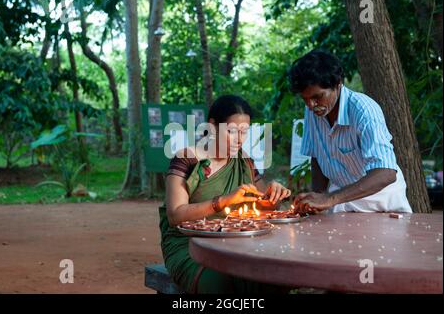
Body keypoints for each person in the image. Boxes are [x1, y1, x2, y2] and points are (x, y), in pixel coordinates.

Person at [159, 95, 292, 294]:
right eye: (231, 131)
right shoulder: (187, 158)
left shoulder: (244, 161)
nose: (239, 139)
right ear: (212, 127)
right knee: (220, 284)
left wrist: (274, 195)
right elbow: (175, 215)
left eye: (244, 132)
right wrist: (223, 201)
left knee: (274, 278)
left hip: (236, 240)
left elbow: (262, 207)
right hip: (189, 243)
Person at [288, 49, 412, 214]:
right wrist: (317, 197)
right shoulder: (312, 111)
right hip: (340, 198)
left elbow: (386, 173)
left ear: (338, 84)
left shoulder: (364, 110)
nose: (311, 105)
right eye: (305, 99)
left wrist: (329, 199)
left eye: (317, 97)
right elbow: (316, 156)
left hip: (379, 199)